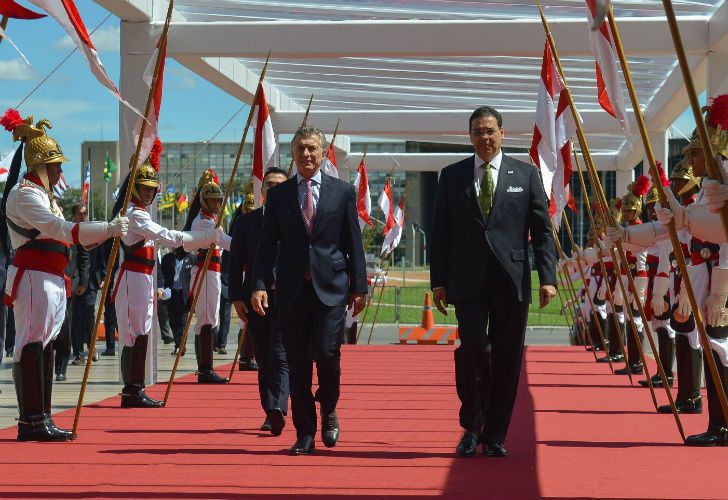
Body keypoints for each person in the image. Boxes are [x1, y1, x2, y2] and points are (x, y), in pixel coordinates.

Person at [430, 106, 557, 458]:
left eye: (490, 131)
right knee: (474, 351)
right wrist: (438, 281)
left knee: (507, 357)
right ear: (469, 136)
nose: (484, 138)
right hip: (466, 280)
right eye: (477, 132)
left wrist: (548, 278)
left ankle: (495, 433)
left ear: (502, 133)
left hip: (511, 280)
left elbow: (542, 233)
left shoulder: (526, 175)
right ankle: (471, 427)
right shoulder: (451, 176)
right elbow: (440, 233)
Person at [604, 93, 728, 445]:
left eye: (695, 151)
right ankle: (716, 421)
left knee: (721, 352)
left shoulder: (720, 191)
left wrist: (719, 291)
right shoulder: (707, 192)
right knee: (710, 349)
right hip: (700, 278)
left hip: (719, 280)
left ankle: (722, 422)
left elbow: (723, 240)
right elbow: (667, 231)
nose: (689, 157)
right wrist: (627, 233)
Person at [2, 111, 128, 441]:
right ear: (40, 165)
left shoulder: (44, 195)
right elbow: (61, 230)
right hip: (34, 275)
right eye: (56, 164)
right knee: (31, 342)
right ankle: (31, 420)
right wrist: (107, 229)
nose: (60, 170)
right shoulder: (25, 194)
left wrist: (105, 230)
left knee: (43, 343)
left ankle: (40, 416)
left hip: (52, 276)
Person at [252, 126, 367, 455]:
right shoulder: (278, 195)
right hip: (291, 292)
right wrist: (259, 284)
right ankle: (305, 433)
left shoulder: (342, 192)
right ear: (292, 153)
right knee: (299, 364)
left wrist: (359, 287)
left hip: (331, 289)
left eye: (312, 149)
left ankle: (328, 407)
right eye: (301, 148)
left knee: (328, 355)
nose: (306, 154)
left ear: (321, 152)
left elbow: (352, 244)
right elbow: (266, 245)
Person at [111, 140, 220, 408]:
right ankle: (131, 391)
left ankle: (136, 389)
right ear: (134, 188)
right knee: (134, 334)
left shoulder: (141, 213)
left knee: (144, 332)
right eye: (145, 188)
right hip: (133, 278)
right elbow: (168, 237)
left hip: (144, 278)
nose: (149, 193)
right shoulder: (135, 215)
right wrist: (203, 237)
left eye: (152, 189)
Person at [230, 169, 290, 435]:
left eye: (280, 185)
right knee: (264, 356)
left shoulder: (297, 220)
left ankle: (278, 407)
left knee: (281, 354)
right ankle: (270, 411)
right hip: (255, 298)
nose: (274, 189)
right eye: (269, 185)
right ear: (262, 191)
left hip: (288, 297)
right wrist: (235, 297)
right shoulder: (246, 222)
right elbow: (234, 263)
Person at [185, 169, 232, 384]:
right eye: (212, 201)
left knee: (212, 317)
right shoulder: (203, 222)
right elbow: (224, 242)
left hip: (213, 272)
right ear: (204, 201)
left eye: (218, 201)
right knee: (206, 319)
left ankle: (206, 367)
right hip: (205, 272)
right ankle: (205, 369)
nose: (216, 205)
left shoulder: (211, 220)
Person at [161, 246, 190, 355]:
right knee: (173, 321)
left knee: (183, 321)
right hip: (171, 293)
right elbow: (162, 274)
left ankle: (181, 346)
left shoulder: (190, 259)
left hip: (184, 294)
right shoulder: (167, 258)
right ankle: (179, 345)